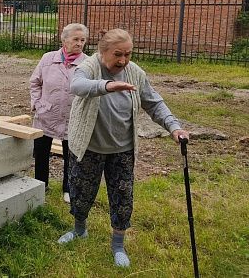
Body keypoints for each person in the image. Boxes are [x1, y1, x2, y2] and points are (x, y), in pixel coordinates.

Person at [57, 28, 190, 268]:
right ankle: (79, 230)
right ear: (102, 51)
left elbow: (154, 102)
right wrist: (108, 86)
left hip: (122, 150)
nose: (123, 60)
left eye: (128, 54)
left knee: (122, 198)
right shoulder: (89, 66)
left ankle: (118, 245)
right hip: (88, 147)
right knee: (81, 192)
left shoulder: (134, 72)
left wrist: (174, 127)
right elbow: (77, 86)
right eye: (118, 54)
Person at [29, 23, 88, 202]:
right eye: (75, 39)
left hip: (72, 117)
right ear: (64, 39)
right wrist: (37, 103)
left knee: (71, 156)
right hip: (46, 114)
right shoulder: (48, 59)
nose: (79, 43)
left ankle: (68, 189)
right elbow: (35, 82)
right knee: (41, 153)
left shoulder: (88, 63)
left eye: (82, 40)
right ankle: (41, 184)